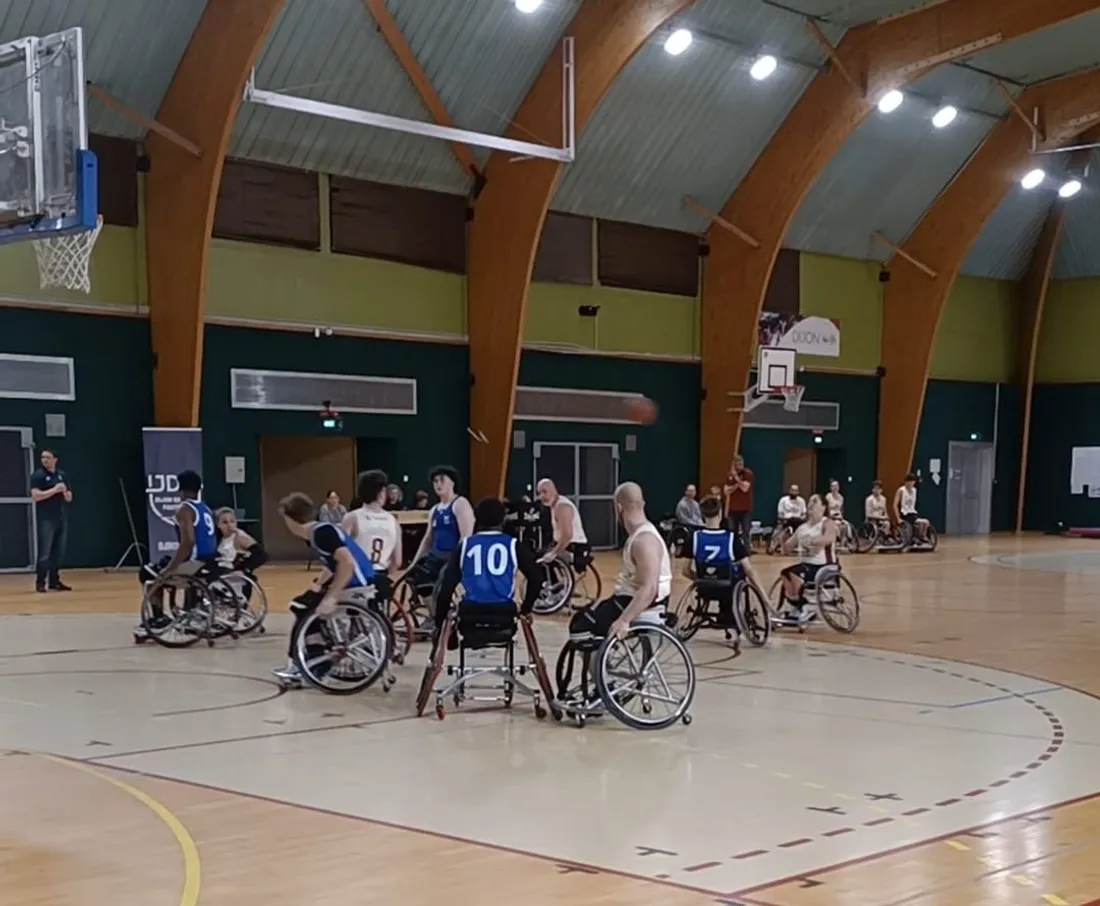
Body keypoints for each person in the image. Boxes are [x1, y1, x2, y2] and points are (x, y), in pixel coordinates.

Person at [273, 491, 378, 687]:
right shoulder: (315, 532)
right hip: (356, 581)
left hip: (357, 584)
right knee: (303, 602)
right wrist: (318, 584)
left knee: (302, 608)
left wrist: (331, 596)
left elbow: (346, 563)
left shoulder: (321, 533)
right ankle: (315, 655)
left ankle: (311, 661)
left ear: (290, 518)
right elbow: (333, 564)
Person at [569, 481, 671, 642]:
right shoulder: (639, 536)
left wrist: (624, 620)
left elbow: (650, 588)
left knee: (581, 627)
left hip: (639, 602)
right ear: (642, 504)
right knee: (583, 616)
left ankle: (601, 667)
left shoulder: (645, 540)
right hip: (626, 597)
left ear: (619, 508)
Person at [432, 497, 544, 633]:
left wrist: (439, 622)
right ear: (503, 520)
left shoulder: (465, 546)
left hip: (470, 612)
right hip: (504, 612)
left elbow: (446, 587)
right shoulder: (513, 545)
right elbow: (537, 578)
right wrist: (526, 608)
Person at [134, 470, 219, 639]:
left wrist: (169, 569)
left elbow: (188, 543)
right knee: (165, 567)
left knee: (149, 574)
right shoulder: (205, 508)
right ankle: (191, 607)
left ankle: (159, 618)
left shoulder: (185, 509)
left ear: (180, 488)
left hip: (195, 561)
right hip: (209, 560)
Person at [684, 496, 767, 650]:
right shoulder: (731, 538)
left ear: (702, 515)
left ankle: (725, 613)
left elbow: (685, 571)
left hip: (704, 588)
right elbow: (749, 569)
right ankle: (734, 618)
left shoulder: (694, 537)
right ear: (720, 513)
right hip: (728, 589)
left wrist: (701, 579)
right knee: (741, 573)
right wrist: (764, 597)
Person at [407, 466, 475, 630]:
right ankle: (435, 615)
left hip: (453, 556)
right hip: (436, 556)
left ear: (452, 482)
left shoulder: (460, 504)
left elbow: (466, 538)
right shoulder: (435, 510)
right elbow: (427, 538)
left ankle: (442, 614)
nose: (438, 484)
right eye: (435, 481)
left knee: (440, 581)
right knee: (416, 577)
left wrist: (457, 562)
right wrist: (414, 562)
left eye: (442, 480)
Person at [777, 493, 838, 624]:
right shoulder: (802, 528)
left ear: (823, 507)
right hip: (806, 565)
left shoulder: (827, 523)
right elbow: (787, 548)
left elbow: (829, 538)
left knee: (796, 573)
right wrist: (782, 541)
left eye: (815, 501)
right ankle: (796, 605)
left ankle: (803, 607)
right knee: (785, 573)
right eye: (809, 501)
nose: (811, 503)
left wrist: (813, 541)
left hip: (824, 566)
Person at [343, 469, 402, 601]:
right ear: (381, 493)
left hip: (356, 579)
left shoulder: (352, 517)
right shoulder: (393, 520)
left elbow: (339, 551)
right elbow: (397, 561)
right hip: (380, 578)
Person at [29, 448, 72, 592]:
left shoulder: (62, 475)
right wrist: (54, 490)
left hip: (61, 517)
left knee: (58, 553)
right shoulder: (38, 476)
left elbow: (69, 497)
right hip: (46, 519)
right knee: (45, 553)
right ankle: (40, 582)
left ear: (55, 459)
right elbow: (36, 495)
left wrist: (65, 491)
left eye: (48, 457)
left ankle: (55, 581)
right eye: (42, 457)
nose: (45, 460)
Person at [535, 478, 591, 571]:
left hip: (574, 547)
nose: (541, 496)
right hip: (565, 544)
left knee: (540, 560)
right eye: (539, 493)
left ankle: (553, 584)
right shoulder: (554, 505)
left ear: (554, 491)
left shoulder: (562, 507)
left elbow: (567, 536)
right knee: (537, 554)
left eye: (545, 492)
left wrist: (554, 553)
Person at [723, 455, 754, 541]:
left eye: (741, 462)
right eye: (737, 462)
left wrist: (736, 479)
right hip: (732, 509)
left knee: (746, 532)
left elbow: (745, 489)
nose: (740, 464)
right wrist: (738, 485)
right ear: (734, 464)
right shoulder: (729, 475)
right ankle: (733, 551)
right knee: (732, 532)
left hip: (745, 509)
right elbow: (726, 491)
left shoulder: (748, 473)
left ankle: (746, 551)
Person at [894, 474, 929, 541]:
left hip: (912, 513)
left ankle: (922, 536)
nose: (910, 483)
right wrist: (898, 518)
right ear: (906, 482)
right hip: (904, 514)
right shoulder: (901, 490)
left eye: (912, 481)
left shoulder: (914, 490)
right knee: (914, 523)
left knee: (926, 522)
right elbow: (895, 505)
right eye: (909, 481)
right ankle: (913, 537)